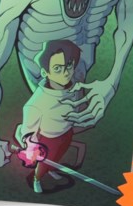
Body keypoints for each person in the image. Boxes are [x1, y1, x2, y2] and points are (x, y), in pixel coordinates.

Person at [15, 39, 85, 194]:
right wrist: (30, 145)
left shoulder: (73, 87)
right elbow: (28, 129)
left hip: (66, 133)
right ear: (45, 72)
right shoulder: (37, 102)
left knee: (58, 157)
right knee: (45, 163)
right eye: (58, 68)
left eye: (68, 66)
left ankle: (51, 170)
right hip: (49, 139)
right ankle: (37, 179)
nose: (65, 72)